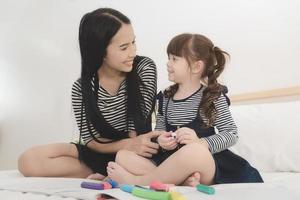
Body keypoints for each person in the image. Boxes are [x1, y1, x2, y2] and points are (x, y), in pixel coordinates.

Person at [17, 8, 160, 178]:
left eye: (133, 42)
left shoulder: (144, 68)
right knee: (28, 160)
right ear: (100, 51)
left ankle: (119, 170)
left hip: (138, 153)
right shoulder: (81, 88)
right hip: (107, 151)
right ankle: (110, 170)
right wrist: (125, 145)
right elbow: (92, 142)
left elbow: (136, 127)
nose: (132, 52)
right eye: (123, 47)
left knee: (126, 157)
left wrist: (130, 147)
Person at [106, 33, 264, 186]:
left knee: (193, 152)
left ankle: (137, 181)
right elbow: (159, 131)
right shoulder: (166, 98)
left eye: (174, 59)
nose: (168, 63)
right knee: (122, 156)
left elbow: (231, 133)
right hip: (170, 162)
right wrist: (161, 140)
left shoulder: (212, 97)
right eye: (168, 58)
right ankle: (180, 181)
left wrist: (201, 142)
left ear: (196, 66)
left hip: (203, 163)